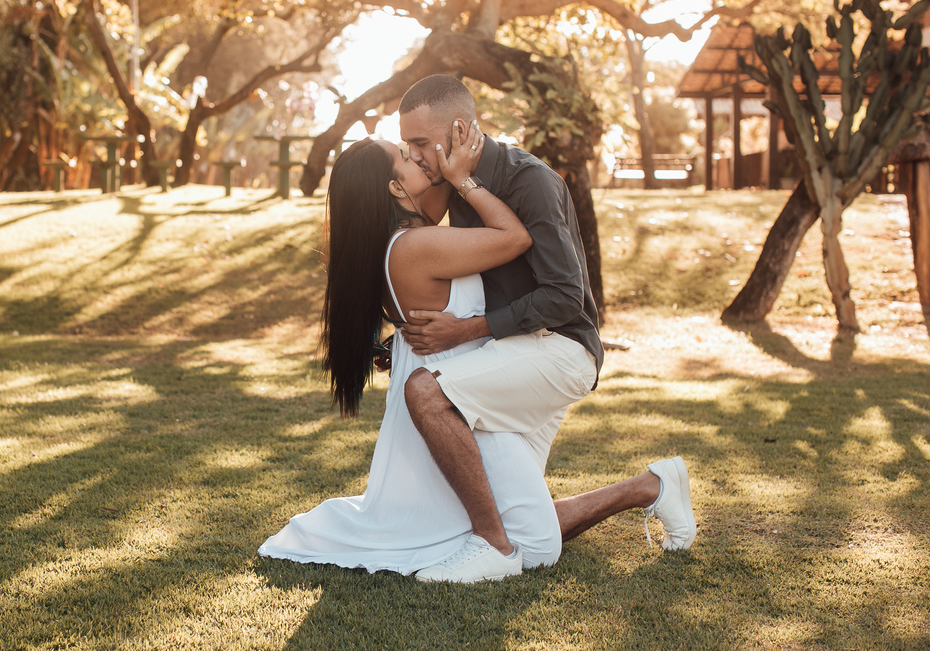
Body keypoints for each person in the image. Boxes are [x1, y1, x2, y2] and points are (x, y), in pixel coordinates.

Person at [395, 74, 695, 583]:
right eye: (408, 145)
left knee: (426, 395)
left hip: (561, 351)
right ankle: (652, 486)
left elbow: (564, 296)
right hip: (513, 356)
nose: (417, 155)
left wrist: (464, 331)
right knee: (529, 532)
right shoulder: (451, 183)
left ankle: (492, 549)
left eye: (421, 143)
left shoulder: (528, 179)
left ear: (459, 128)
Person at [259, 123, 572, 574]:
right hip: (453, 400)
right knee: (536, 546)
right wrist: (465, 177)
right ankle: (642, 489)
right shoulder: (415, 246)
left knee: (525, 528)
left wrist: (443, 160)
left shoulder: (408, 234)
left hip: (467, 389)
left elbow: (435, 185)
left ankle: (646, 489)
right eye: (406, 156)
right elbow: (515, 237)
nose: (418, 157)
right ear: (394, 186)